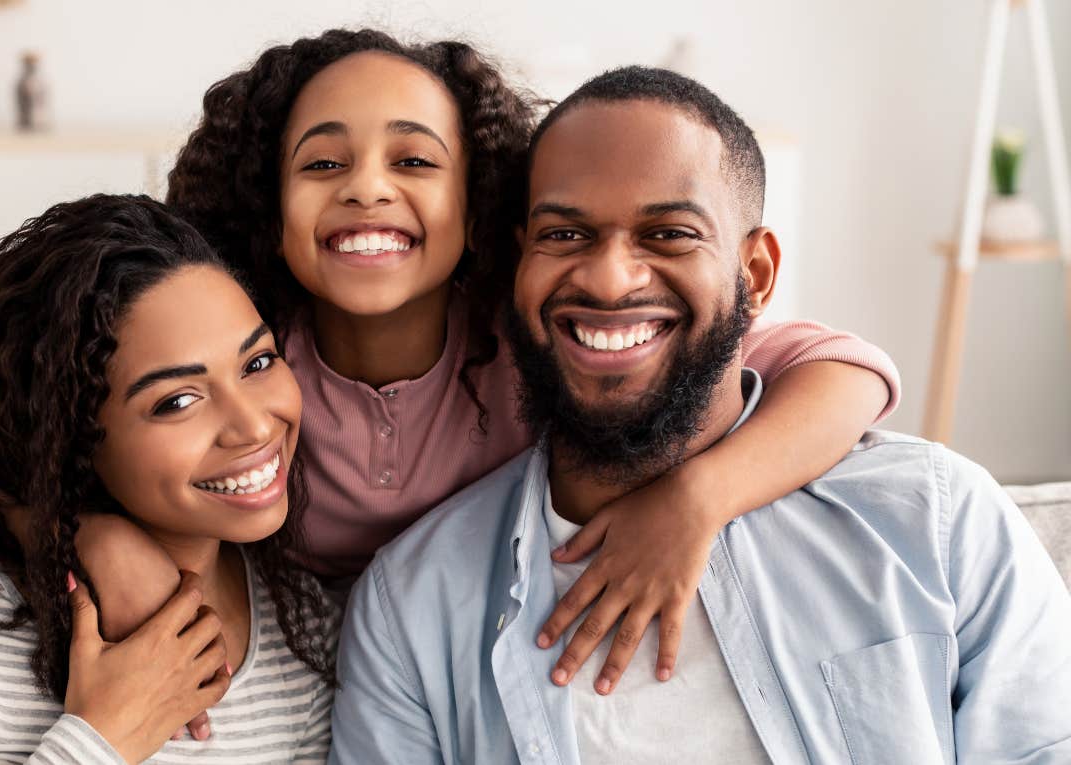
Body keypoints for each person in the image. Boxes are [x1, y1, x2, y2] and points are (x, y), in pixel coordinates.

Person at [0, 29, 901, 693]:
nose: (367, 190)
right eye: (322, 163)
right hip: (325, 675)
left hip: (504, 650)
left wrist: (694, 500)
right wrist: (79, 528)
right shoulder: (252, 364)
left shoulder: (541, 338)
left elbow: (845, 370)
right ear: (267, 203)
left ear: (481, 205)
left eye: (415, 161)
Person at [331, 66, 1071, 764]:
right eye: (565, 234)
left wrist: (699, 495)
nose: (609, 277)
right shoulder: (413, 606)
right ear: (520, 262)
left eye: (668, 234)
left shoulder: (938, 522)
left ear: (755, 275)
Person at [0, 196, 336, 764]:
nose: (253, 425)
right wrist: (105, 737)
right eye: (176, 401)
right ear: (72, 436)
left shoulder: (300, 627)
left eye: (257, 363)